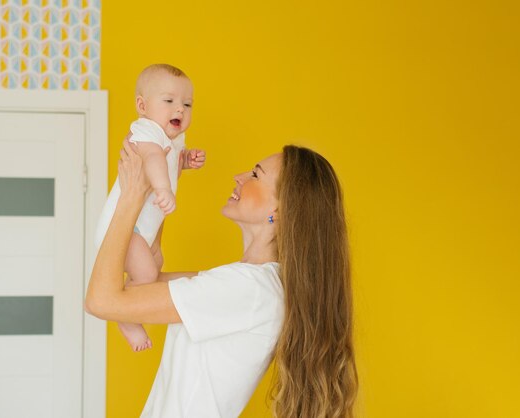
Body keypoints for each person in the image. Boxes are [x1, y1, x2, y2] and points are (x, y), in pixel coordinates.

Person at [85, 142, 358, 417]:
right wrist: (161, 192)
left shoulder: (249, 290)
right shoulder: (248, 285)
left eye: (255, 174)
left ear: (284, 210)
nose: (239, 177)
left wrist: (130, 199)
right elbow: (143, 283)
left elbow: (101, 300)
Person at [95, 64, 206, 351]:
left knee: (154, 267)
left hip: (145, 229)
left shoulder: (173, 139)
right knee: (145, 276)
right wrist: (163, 188)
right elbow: (154, 157)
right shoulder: (145, 130)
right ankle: (125, 317)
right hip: (125, 226)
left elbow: (169, 160)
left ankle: (125, 302)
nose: (179, 109)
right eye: (169, 101)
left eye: (187, 104)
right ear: (142, 106)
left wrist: (185, 160)